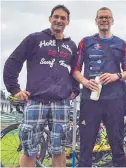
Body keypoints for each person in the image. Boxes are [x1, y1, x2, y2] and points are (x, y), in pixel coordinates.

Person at [3, 5, 79, 167]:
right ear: (50, 19)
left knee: (59, 149)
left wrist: (75, 89)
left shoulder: (71, 46)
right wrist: (14, 89)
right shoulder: (34, 39)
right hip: (35, 100)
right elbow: (13, 62)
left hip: (61, 103)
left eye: (63, 18)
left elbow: (75, 71)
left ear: (68, 22)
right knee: (29, 148)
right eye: (56, 16)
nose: (59, 20)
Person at [72, 7, 126, 167]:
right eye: (101, 17)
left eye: (107, 17)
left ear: (112, 21)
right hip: (90, 98)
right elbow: (76, 70)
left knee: (117, 142)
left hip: (114, 99)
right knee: (86, 143)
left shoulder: (121, 44)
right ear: (96, 20)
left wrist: (116, 76)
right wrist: (84, 82)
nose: (104, 20)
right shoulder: (85, 42)